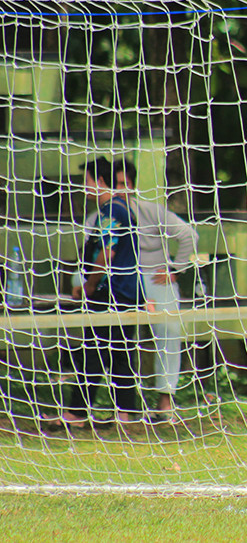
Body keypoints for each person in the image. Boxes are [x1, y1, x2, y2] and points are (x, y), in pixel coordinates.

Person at [62, 157, 145, 427]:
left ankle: (76, 413)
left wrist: (89, 285)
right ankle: (125, 414)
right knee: (119, 353)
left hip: (112, 292)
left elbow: (107, 253)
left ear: (98, 182)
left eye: (86, 181)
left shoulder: (112, 211)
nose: (83, 188)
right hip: (125, 292)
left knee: (93, 351)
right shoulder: (120, 209)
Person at [117, 157, 198, 423]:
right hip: (118, 282)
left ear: (131, 185)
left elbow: (188, 235)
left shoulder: (149, 211)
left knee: (169, 330)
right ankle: (124, 406)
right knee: (118, 336)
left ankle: (165, 401)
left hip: (154, 278)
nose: (120, 191)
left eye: (124, 184)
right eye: (115, 185)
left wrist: (176, 268)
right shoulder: (100, 216)